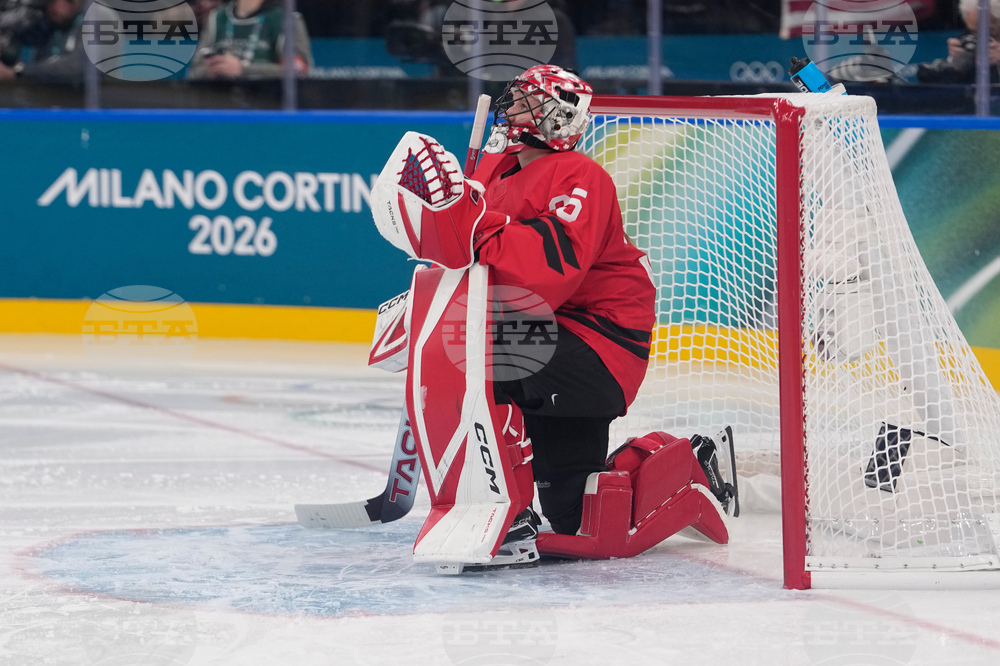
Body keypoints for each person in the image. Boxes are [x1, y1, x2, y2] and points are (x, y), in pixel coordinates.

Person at [371, 64, 737, 571]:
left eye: (525, 101)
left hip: (599, 346)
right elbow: (473, 263)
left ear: (557, 118)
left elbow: (546, 269)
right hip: (548, 339)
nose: (510, 108)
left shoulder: (581, 177)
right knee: (576, 519)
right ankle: (681, 459)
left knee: (476, 352)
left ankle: (510, 515)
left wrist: (473, 223)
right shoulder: (498, 176)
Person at [187, 0, 312, 80]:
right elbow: (194, 72)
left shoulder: (286, 19)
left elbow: (298, 72)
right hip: (221, 107)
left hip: (267, 107)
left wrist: (242, 70)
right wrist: (213, 70)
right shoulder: (217, 17)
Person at [0, 0, 87, 83]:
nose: (48, 8)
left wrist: (20, 71)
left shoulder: (95, 20)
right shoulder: (49, 22)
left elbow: (79, 67)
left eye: (51, 1)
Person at [918, 0, 1000, 84]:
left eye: (989, 30)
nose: (981, 37)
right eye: (974, 32)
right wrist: (955, 58)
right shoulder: (968, 36)